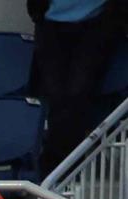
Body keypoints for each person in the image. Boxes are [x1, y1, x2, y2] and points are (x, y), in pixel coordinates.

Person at [32, 0, 125, 174]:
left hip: (97, 22)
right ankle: (57, 171)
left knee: (77, 94)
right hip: (50, 23)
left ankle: (61, 170)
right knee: (56, 98)